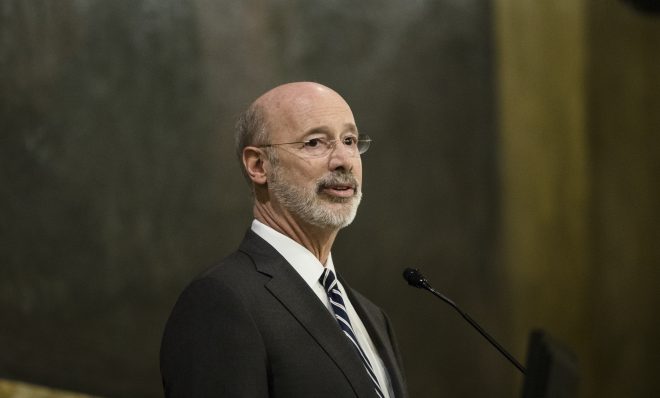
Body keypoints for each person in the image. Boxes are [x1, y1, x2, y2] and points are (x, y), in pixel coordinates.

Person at [160, 82, 408, 398]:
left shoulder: (372, 317)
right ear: (258, 165)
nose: (344, 160)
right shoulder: (221, 301)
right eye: (315, 142)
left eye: (349, 140)